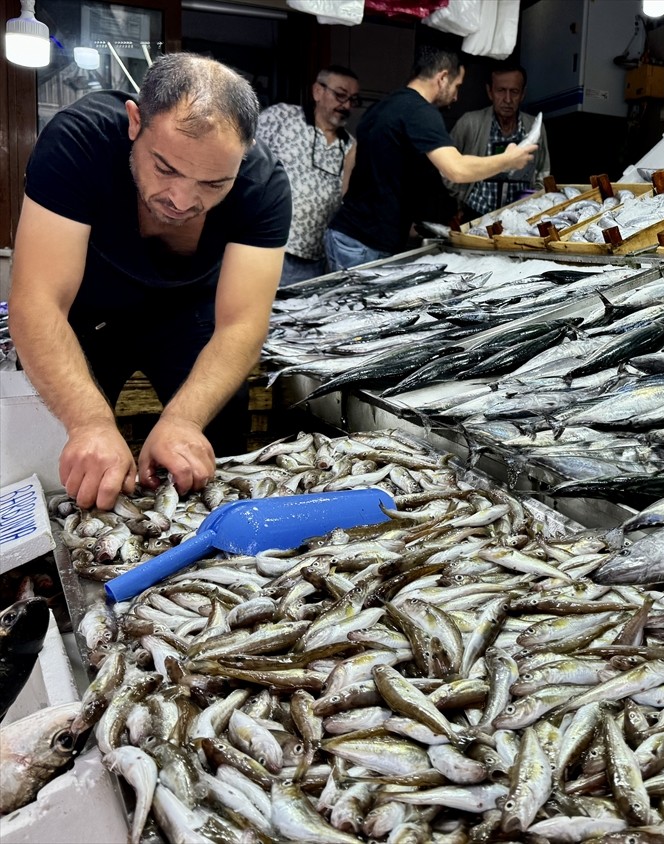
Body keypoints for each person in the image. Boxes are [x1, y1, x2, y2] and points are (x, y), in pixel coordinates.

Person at [8, 53, 290, 511]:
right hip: (85, 310)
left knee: (210, 445)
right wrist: (90, 424)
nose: (182, 199)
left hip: (189, 313)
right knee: (66, 456)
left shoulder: (263, 184)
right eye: (166, 168)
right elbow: (37, 300)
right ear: (134, 122)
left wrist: (184, 420)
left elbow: (241, 324)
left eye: (214, 184)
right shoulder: (79, 141)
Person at [326, 46, 536, 270]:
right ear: (443, 77)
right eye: (457, 87)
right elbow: (456, 169)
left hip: (349, 234)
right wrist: (509, 160)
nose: (456, 96)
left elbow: (352, 156)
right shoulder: (419, 111)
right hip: (363, 245)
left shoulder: (384, 107)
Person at [257, 65, 360, 285]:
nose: (346, 105)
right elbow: (243, 157)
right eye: (341, 95)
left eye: (353, 100)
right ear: (317, 92)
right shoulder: (282, 117)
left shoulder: (350, 146)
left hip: (315, 259)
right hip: (269, 247)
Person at [449, 62, 551, 220]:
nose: (508, 99)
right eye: (501, 91)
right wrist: (462, 197)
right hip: (476, 214)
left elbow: (543, 173)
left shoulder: (535, 127)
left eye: (514, 92)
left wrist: (534, 199)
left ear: (522, 94)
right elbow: (447, 167)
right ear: (490, 92)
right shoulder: (469, 123)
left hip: (520, 218)